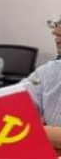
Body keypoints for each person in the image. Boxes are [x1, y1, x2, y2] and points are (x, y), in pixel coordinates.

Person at [23, 17, 61, 149]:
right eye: (58, 23)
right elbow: (15, 109)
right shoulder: (48, 71)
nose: (56, 31)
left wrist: (25, 129)